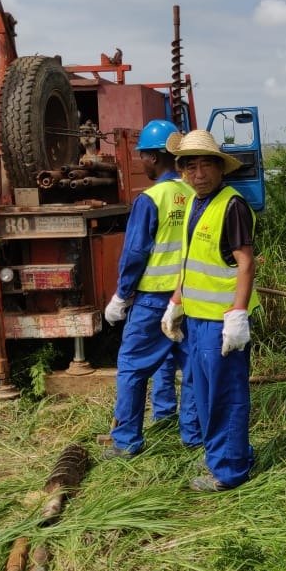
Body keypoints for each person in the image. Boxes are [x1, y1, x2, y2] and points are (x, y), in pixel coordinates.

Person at [161, 129, 260, 493]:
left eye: (205, 165)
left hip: (222, 322)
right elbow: (189, 260)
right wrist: (176, 301)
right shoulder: (193, 204)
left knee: (225, 395)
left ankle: (230, 471)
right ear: (183, 171)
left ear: (220, 169)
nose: (198, 173)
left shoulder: (232, 205)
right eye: (190, 166)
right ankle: (227, 455)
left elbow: (246, 262)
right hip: (199, 319)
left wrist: (237, 315)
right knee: (204, 394)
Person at [104, 119, 198, 458]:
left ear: (155, 158)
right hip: (191, 299)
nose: (140, 161)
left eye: (142, 155)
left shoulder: (151, 199)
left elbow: (135, 253)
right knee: (191, 368)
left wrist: (121, 295)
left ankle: (126, 441)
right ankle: (192, 436)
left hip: (154, 300)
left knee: (131, 367)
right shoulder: (195, 194)